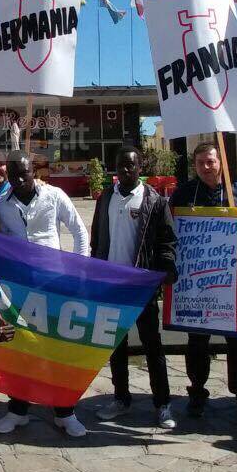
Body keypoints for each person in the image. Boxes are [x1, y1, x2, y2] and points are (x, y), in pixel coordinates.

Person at [0, 150, 91, 437]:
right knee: (20, 348)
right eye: (13, 175)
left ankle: (64, 412)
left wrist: (78, 271)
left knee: (57, 349)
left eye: (24, 173)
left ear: (33, 170)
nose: (19, 179)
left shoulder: (55, 195)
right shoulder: (2, 204)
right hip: (20, 287)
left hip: (56, 283)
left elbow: (79, 232)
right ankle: (17, 410)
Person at [171, 141, 237, 422]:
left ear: (221, 163)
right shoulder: (185, 193)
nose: (205, 168)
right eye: (200, 163)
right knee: (197, 341)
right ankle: (197, 393)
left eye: (210, 162)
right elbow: (170, 228)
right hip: (197, 284)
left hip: (234, 282)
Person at [90, 147, 178, 429]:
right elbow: (96, 240)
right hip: (112, 286)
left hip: (142, 287)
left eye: (131, 165)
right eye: (120, 165)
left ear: (141, 167)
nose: (125, 170)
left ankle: (162, 403)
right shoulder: (105, 198)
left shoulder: (154, 201)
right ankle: (121, 398)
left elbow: (167, 241)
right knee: (115, 346)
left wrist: (163, 270)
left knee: (153, 346)